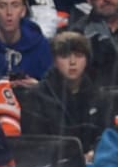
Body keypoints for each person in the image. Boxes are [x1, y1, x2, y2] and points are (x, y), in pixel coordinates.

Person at [26, 30, 111, 158]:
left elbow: (106, 135)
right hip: (53, 165)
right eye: (65, 56)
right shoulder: (37, 96)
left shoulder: (98, 96)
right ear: (55, 60)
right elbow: (36, 144)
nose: (72, 62)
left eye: (78, 55)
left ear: (87, 60)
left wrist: (95, 152)